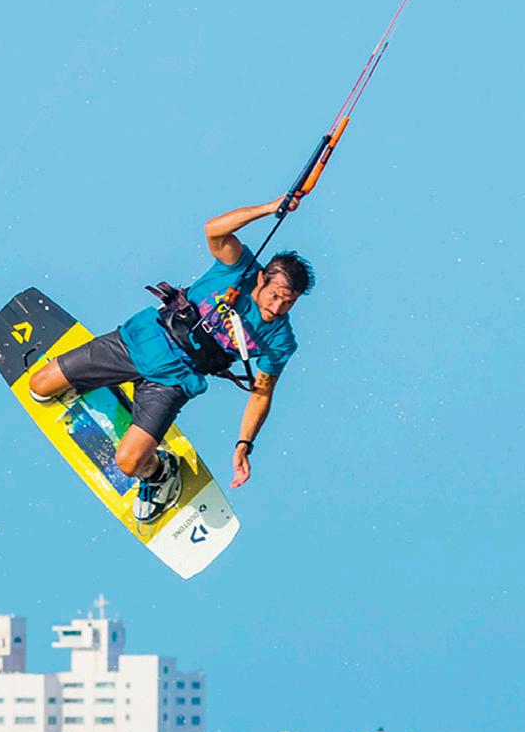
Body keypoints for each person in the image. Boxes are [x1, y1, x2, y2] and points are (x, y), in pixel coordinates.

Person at [29, 195, 315, 522]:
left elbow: (261, 393)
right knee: (40, 387)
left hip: (173, 381)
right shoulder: (240, 268)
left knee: (128, 463)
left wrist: (244, 444)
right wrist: (270, 208)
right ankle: (102, 381)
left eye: (288, 303)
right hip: (140, 342)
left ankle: (161, 471)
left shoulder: (279, 339)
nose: (277, 308)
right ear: (262, 278)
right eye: (275, 296)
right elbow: (213, 230)